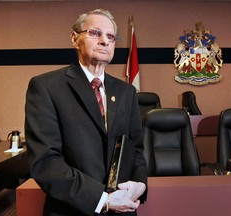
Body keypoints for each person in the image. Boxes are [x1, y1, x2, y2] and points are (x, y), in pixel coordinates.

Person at [25, 8, 147, 216]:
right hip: (72, 209)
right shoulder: (46, 87)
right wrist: (102, 200)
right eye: (94, 33)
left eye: (110, 36)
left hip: (122, 210)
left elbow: (135, 149)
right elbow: (46, 162)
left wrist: (140, 185)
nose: (104, 41)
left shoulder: (126, 92)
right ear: (74, 38)